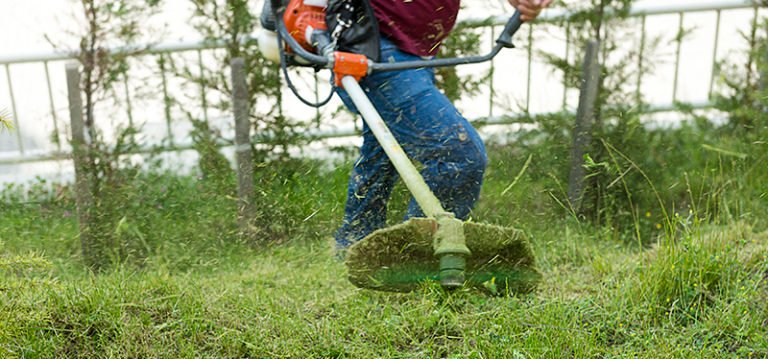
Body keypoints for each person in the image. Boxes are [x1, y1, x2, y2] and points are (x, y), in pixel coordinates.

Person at [334, 0, 553, 252]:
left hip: (412, 49)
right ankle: (420, 258)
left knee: (384, 153)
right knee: (458, 155)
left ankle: (355, 248)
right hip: (372, 42)